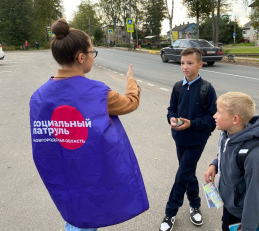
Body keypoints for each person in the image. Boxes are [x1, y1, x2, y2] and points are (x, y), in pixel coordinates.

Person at [29, 19, 149, 231]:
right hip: (90, 174)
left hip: (61, 173)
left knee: (74, 213)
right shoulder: (98, 93)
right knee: (84, 220)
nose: (93, 56)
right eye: (93, 51)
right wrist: (131, 81)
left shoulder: (38, 96)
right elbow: (131, 102)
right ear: (81, 57)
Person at [159, 47, 217, 231]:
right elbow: (171, 109)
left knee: (182, 174)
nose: (185, 67)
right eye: (183, 63)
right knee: (188, 173)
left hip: (197, 141)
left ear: (200, 64)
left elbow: (212, 118)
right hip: (180, 138)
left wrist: (191, 123)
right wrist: (171, 119)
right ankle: (195, 205)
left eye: (190, 63)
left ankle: (170, 213)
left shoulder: (207, 89)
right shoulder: (178, 87)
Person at [204, 92, 259, 231]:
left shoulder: (253, 155)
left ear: (235, 119)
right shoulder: (227, 134)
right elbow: (226, 155)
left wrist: (247, 227)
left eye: (219, 112)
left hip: (242, 215)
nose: (214, 115)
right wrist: (215, 164)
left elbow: (254, 194)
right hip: (229, 204)